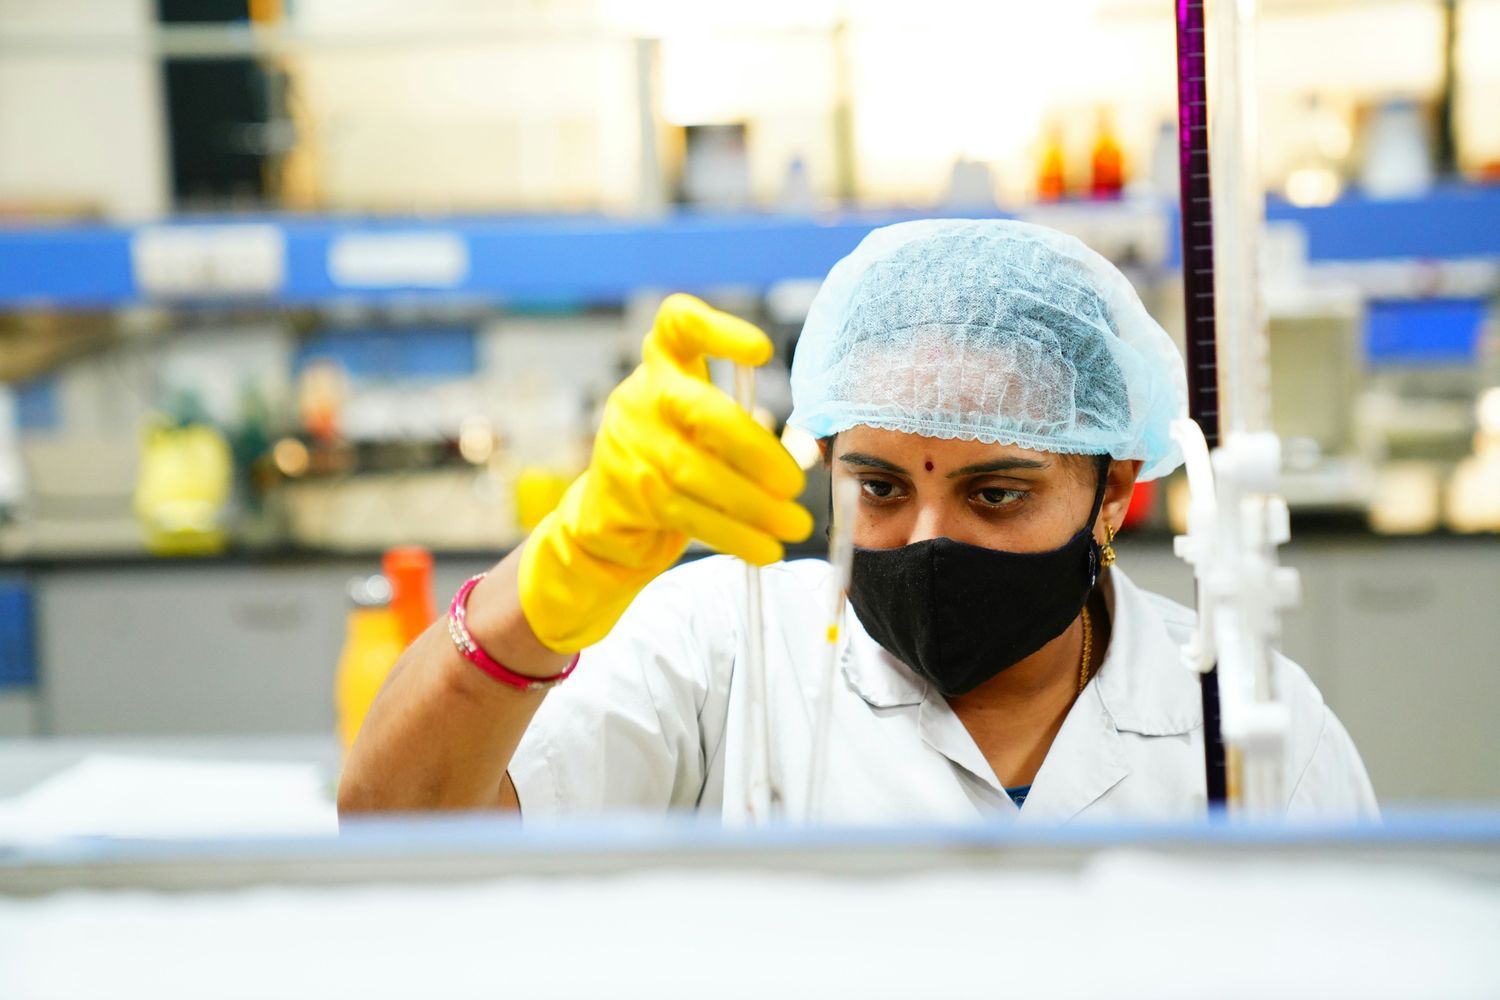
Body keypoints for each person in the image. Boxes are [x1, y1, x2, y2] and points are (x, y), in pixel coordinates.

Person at [338, 219, 1377, 823]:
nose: (926, 536)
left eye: (995, 493)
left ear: (1114, 492)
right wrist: (533, 605)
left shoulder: (1248, 727)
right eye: (878, 486)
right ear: (825, 460)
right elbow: (391, 831)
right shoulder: (721, 646)